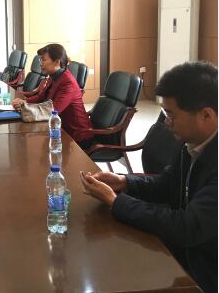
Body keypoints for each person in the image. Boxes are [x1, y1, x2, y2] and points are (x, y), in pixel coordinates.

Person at [80, 61, 217, 293]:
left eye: (171, 115)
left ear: (206, 115)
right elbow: (167, 184)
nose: (166, 123)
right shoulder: (190, 142)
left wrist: (116, 202)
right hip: (185, 254)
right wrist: (124, 182)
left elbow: (187, 227)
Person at [12, 43, 93, 146]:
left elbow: (53, 110)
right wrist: (24, 101)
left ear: (57, 62)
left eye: (43, 60)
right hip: (59, 129)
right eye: (40, 60)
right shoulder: (53, 76)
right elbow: (41, 97)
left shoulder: (68, 83)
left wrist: (25, 107)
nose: (40, 63)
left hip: (77, 137)